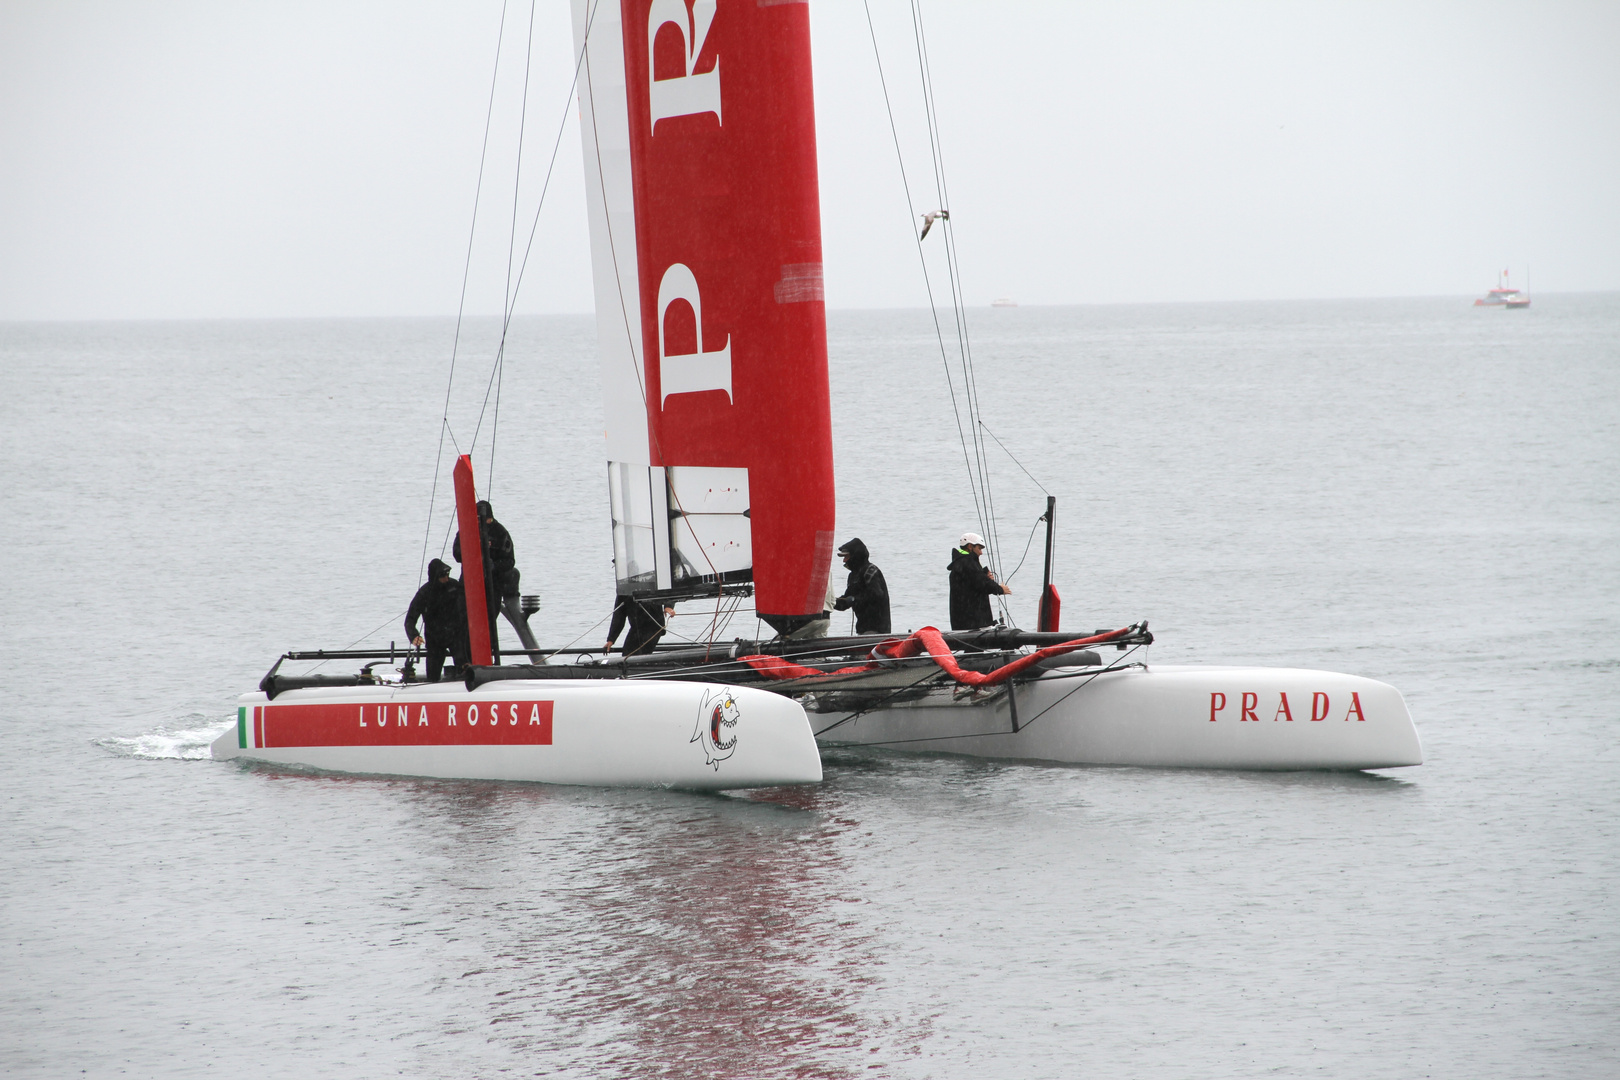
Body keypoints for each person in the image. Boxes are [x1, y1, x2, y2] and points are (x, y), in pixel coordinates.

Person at [453, 500, 540, 657]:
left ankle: (489, 655)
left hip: (492, 585)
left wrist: (493, 565)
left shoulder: (500, 532)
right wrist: (471, 550)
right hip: (469, 583)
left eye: (485, 519)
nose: (483, 522)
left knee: (488, 622)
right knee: (464, 622)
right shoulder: (466, 530)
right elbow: (457, 555)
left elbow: (510, 561)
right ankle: (465, 659)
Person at [405, 558, 469, 681]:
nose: (446, 578)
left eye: (447, 575)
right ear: (435, 577)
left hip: (456, 636)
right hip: (434, 638)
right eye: (442, 576)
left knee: (463, 664)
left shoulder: (455, 586)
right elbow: (410, 619)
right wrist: (414, 636)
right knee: (432, 675)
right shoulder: (424, 594)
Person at [948, 531, 1010, 631]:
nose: (981, 552)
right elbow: (982, 584)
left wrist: (984, 574)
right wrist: (1000, 589)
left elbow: (973, 584)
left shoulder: (960, 563)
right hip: (972, 624)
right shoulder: (967, 562)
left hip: (962, 622)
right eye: (979, 548)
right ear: (970, 546)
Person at [833, 537, 891, 634]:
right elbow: (846, 601)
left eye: (846, 557)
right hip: (862, 629)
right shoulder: (853, 576)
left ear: (855, 556)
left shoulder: (871, 571)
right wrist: (829, 602)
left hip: (878, 629)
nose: (844, 561)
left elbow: (876, 595)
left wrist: (854, 600)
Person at [605, 594, 675, 657]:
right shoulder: (624, 589)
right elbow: (619, 616)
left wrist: (668, 606)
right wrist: (611, 639)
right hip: (636, 628)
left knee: (640, 654)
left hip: (653, 627)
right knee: (626, 655)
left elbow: (668, 593)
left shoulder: (651, 582)